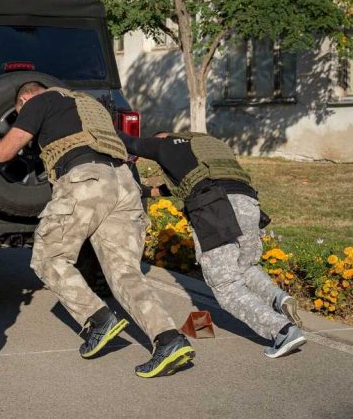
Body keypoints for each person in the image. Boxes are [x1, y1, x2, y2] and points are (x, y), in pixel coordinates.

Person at [0, 82, 194, 378]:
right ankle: (169, 339)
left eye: (20, 112)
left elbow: (4, 152)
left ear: (25, 98)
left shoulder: (38, 101)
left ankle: (98, 319)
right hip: (124, 184)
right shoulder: (89, 106)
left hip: (85, 179)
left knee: (49, 259)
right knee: (124, 272)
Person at [121, 131, 306, 358]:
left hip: (214, 207)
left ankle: (282, 330)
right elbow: (184, 183)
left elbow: (131, 142)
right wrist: (148, 191)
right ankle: (278, 299)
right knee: (246, 266)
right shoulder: (207, 146)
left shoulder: (165, 145)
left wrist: (100, 124)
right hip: (248, 201)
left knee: (225, 285)